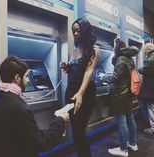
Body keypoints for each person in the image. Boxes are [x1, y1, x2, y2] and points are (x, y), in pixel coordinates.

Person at [0, 56, 69, 157]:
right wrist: (60, 120)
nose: (28, 80)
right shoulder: (21, 109)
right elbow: (42, 143)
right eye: (26, 76)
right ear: (17, 78)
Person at [60, 18, 100, 157]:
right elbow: (75, 70)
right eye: (73, 31)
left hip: (85, 93)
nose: (76, 33)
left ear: (85, 30)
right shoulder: (75, 49)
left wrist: (81, 93)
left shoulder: (94, 49)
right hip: (71, 92)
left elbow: (89, 71)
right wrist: (67, 67)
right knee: (76, 131)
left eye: (78, 30)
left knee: (79, 131)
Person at [99, 38, 139, 157]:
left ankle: (123, 149)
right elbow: (124, 75)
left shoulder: (121, 59)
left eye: (113, 47)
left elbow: (115, 77)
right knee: (130, 119)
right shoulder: (129, 58)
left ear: (116, 47)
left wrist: (103, 77)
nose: (112, 49)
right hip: (127, 94)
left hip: (120, 94)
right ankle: (133, 143)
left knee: (122, 122)